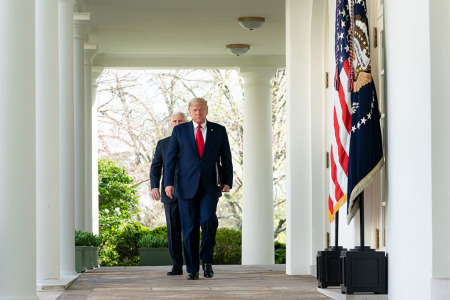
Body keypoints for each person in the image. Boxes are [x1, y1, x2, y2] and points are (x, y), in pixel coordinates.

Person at [164, 98, 233, 280]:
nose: (198, 113)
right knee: (189, 229)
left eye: (201, 109)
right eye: (194, 110)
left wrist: (228, 180)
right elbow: (170, 159)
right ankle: (192, 269)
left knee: (209, 220)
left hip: (210, 187)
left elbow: (226, 157)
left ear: (207, 111)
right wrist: (168, 183)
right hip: (185, 187)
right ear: (190, 112)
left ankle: (207, 261)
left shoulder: (218, 130)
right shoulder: (180, 131)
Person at [150, 112, 186, 275]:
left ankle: (192, 265)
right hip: (169, 193)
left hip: (190, 193)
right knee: (173, 231)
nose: (177, 123)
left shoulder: (193, 142)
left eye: (181, 121)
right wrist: (154, 186)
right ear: (171, 124)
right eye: (175, 121)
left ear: (186, 123)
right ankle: (177, 266)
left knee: (190, 229)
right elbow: (156, 167)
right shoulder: (163, 144)